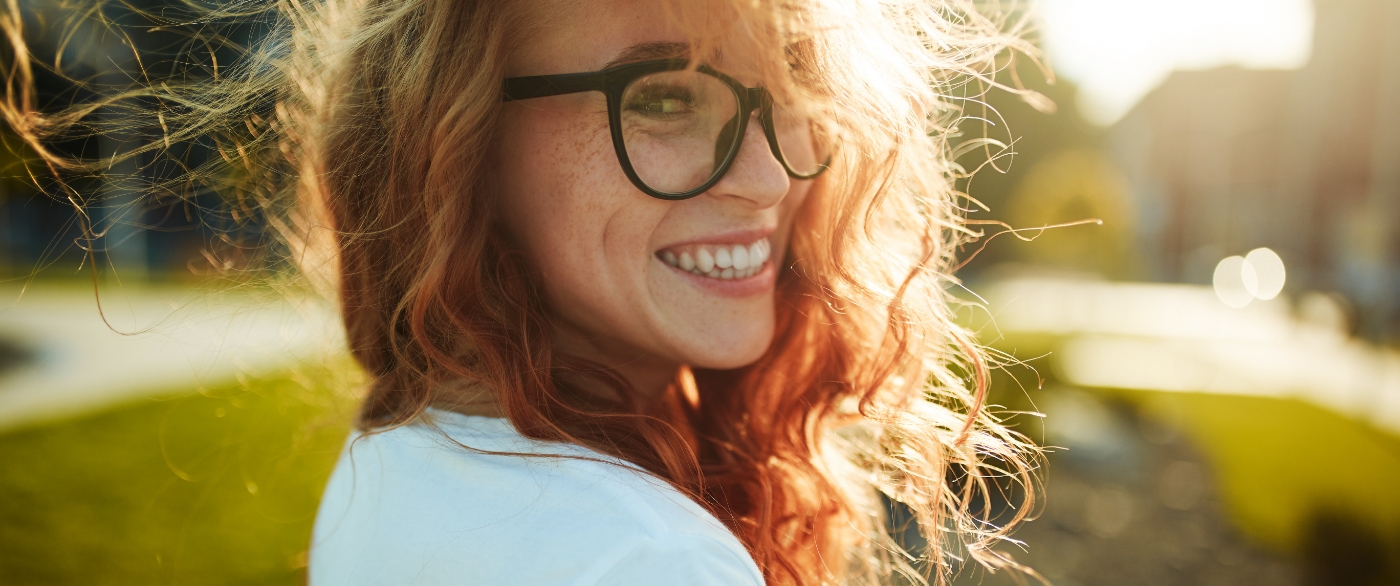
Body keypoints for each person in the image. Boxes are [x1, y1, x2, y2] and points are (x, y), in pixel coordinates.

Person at [3, 0, 1039, 583]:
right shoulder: (637, 561)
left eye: (794, 92)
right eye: (666, 95)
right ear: (450, 142)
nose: (771, 177)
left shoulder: (404, 460)